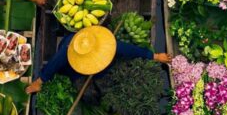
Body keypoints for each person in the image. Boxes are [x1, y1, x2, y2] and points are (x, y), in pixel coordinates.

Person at [25, 25, 171, 94]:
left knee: (106, 70)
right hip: (72, 68)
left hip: (94, 58)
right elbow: (51, 66)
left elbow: (130, 50)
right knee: (73, 76)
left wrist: (156, 56)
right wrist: (38, 82)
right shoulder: (67, 53)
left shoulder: (108, 46)